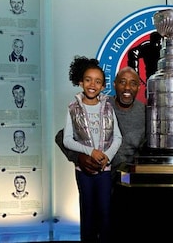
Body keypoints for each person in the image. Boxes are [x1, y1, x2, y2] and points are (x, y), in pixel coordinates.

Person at [62, 56, 122, 243]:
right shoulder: (73, 109)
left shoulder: (108, 109)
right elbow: (66, 140)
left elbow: (118, 137)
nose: (92, 85)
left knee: (105, 212)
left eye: (98, 81)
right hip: (84, 172)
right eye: (88, 80)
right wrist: (90, 152)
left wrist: (107, 157)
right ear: (80, 82)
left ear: (103, 86)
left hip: (105, 171)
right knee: (87, 212)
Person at [57, 66, 146, 184]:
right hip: (96, 174)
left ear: (139, 87)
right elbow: (61, 137)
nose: (127, 87)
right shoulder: (102, 104)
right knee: (89, 201)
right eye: (122, 82)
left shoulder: (145, 113)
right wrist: (79, 157)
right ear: (114, 84)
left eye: (133, 83)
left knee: (125, 196)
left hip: (126, 178)